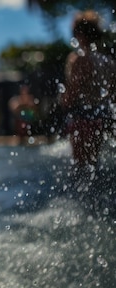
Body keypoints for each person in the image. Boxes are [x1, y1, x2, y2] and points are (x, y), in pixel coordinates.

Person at [60, 10, 115, 171]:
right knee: (93, 166)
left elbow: (71, 95)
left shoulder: (79, 59)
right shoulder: (109, 62)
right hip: (100, 118)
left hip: (81, 119)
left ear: (79, 34)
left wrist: (63, 99)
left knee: (80, 169)